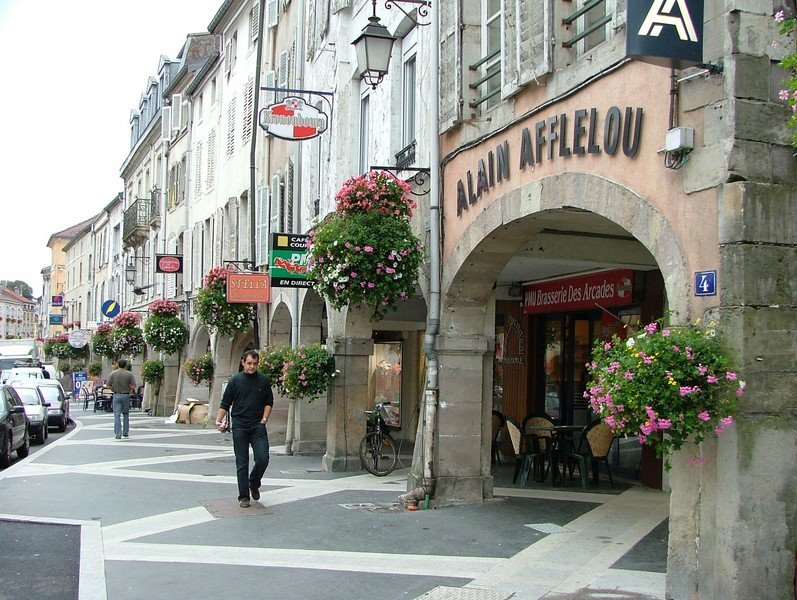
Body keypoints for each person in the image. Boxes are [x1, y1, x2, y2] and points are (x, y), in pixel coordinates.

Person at [215, 349, 273, 508]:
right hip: (240, 425)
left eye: (255, 364)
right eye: (249, 363)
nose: (252, 367)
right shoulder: (235, 381)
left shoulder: (263, 380)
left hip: (257, 425)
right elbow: (225, 403)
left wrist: (264, 419)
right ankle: (243, 497)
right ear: (242, 362)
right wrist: (218, 421)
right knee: (242, 462)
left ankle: (253, 483)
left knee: (263, 458)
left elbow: (269, 401)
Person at [107, 359, 136, 439]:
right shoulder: (129, 374)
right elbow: (133, 386)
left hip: (116, 395)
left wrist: (113, 389)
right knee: (126, 414)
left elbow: (108, 385)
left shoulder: (113, 374)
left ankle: (118, 433)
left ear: (118, 364)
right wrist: (129, 390)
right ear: (125, 365)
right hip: (126, 395)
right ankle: (125, 432)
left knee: (117, 414)